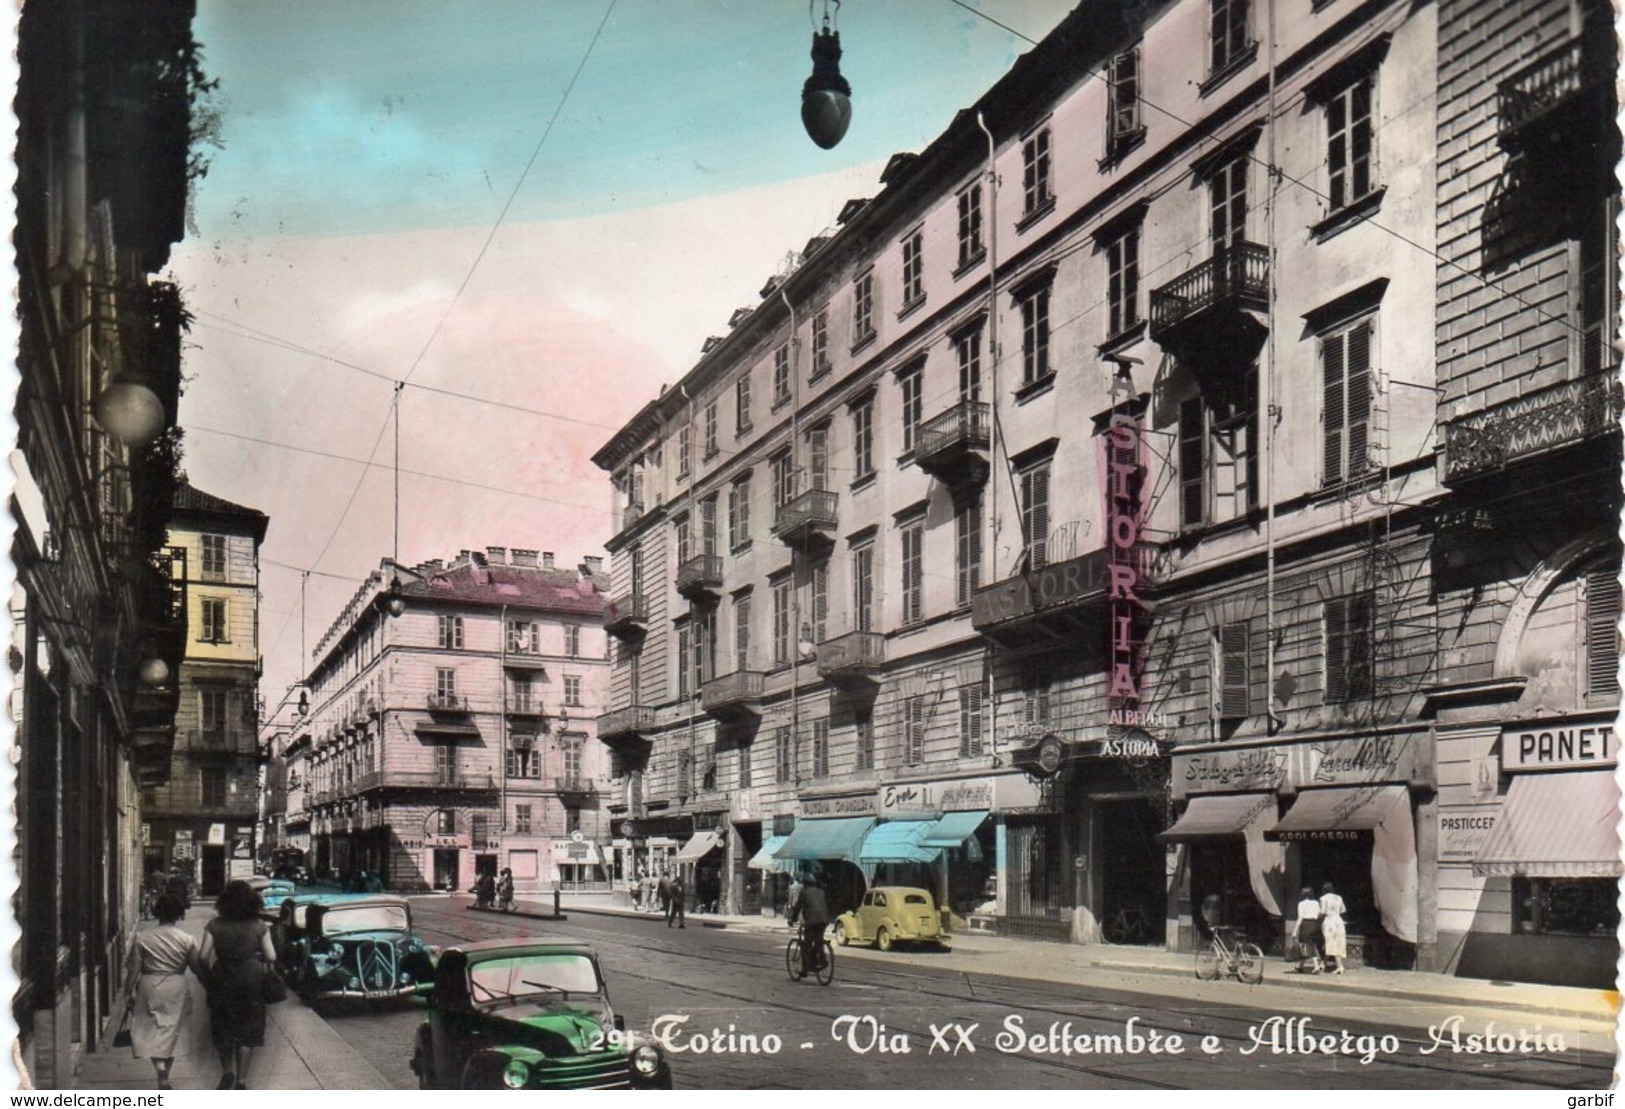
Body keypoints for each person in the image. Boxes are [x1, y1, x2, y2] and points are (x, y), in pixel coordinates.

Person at [200, 879, 277, 1091]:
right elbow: (271, 956)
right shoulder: (259, 926)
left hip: (222, 977)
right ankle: (242, 1080)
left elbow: (202, 957)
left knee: (222, 1027)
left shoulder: (214, 925)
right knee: (249, 1028)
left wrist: (209, 978)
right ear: (253, 902)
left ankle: (227, 1072)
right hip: (251, 980)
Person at [124, 892, 205, 1089]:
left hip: (149, 984)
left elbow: (134, 969)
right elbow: (196, 967)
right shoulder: (187, 939)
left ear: (157, 912)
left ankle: (158, 1066)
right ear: (179, 914)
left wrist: (129, 991)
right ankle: (165, 1074)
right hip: (176, 985)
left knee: (150, 1028)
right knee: (172, 1029)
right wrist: (209, 986)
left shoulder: (142, 937)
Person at [786, 873, 831, 976]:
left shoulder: (804, 892)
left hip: (811, 920)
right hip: (823, 920)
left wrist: (792, 919)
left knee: (807, 944)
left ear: (805, 883)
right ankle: (821, 959)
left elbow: (797, 907)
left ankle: (805, 969)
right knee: (818, 939)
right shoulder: (821, 892)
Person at [1319, 881, 1348, 975]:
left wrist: (1317, 915)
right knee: (1335, 942)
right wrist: (1336, 912)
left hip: (1329, 921)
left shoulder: (1323, 898)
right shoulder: (1339, 897)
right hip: (1339, 921)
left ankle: (1340, 966)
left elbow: (1322, 911)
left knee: (1331, 942)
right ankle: (1323, 963)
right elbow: (1344, 909)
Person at [1295, 886, 1323, 974]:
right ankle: (1301, 966)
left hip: (1306, 924)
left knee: (1309, 946)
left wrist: (1295, 930)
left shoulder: (1301, 903)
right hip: (1315, 924)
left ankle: (1316, 966)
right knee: (1310, 945)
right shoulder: (1316, 903)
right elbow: (1319, 914)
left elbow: (1300, 917)